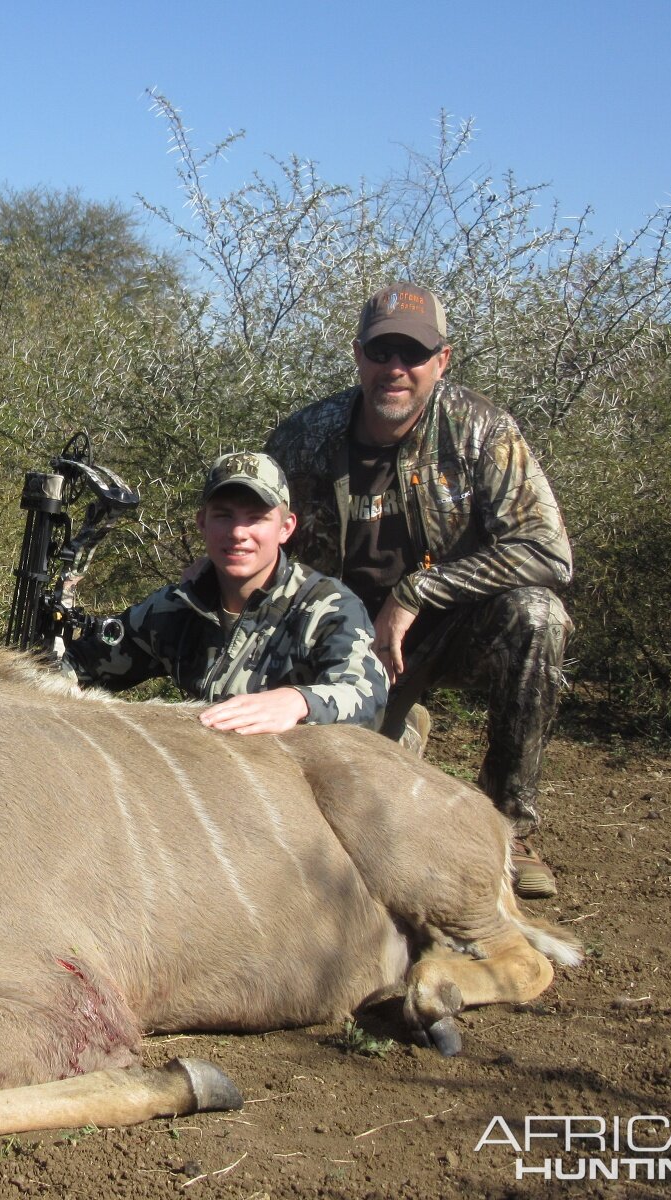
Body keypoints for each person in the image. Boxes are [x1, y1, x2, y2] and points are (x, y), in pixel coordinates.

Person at [266, 282, 572, 898]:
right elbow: (259, 530)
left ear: (443, 360)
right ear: (359, 357)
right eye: (382, 353)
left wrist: (417, 593)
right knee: (331, 814)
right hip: (345, 641)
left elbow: (548, 552)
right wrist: (211, 569)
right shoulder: (304, 436)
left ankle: (509, 832)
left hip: (446, 627)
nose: (395, 369)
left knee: (537, 615)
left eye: (413, 354)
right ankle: (397, 725)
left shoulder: (481, 429)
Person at [66, 450, 386, 735]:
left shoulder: (326, 606)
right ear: (202, 522)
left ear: (286, 527)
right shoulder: (176, 607)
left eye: (256, 518)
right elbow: (85, 661)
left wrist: (299, 701)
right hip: (215, 771)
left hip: (291, 777)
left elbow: (367, 690)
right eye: (224, 516)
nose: (238, 533)